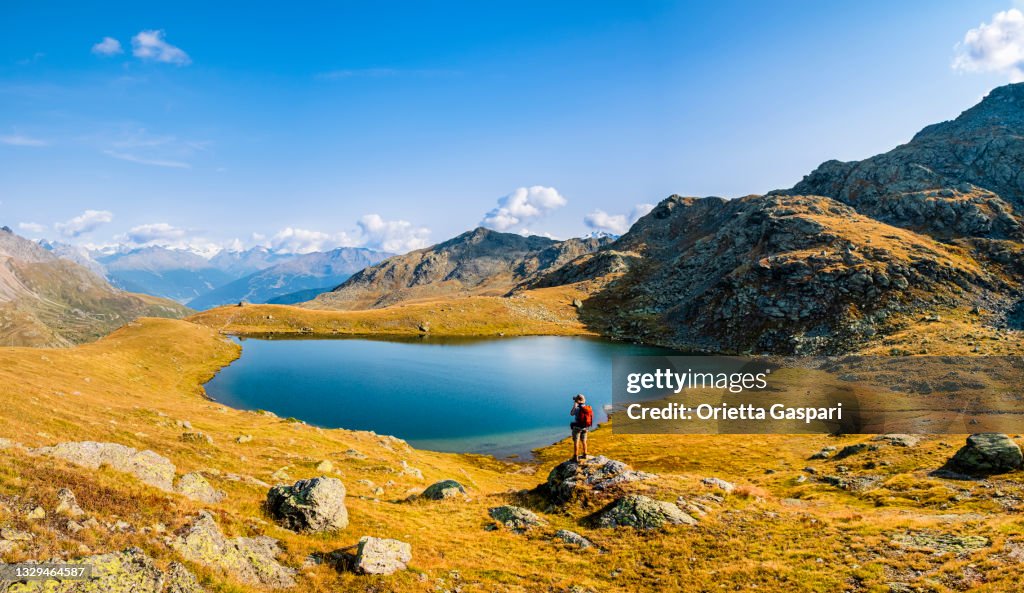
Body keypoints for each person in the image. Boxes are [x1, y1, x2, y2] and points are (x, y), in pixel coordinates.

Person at [569, 393, 593, 462]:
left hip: (577, 427)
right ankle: (585, 454)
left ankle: (575, 457)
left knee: (576, 442)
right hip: (585, 427)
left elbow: (571, 413)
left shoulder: (577, 409)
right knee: (584, 441)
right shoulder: (588, 408)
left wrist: (574, 405)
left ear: (578, 401)